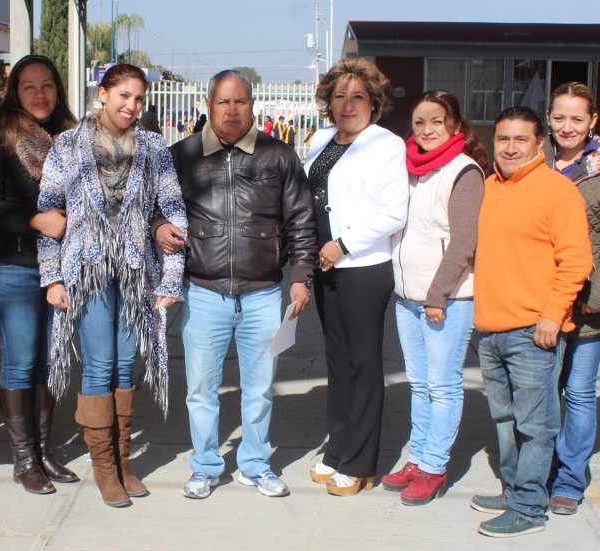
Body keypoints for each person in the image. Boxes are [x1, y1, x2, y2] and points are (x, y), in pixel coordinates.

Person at [152, 69, 317, 500]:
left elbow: (301, 218)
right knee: (201, 390)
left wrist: (300, 277)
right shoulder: (181, 155)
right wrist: (157, 227)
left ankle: (255, 465)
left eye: (240, 101)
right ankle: (205, 465)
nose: (231, 109)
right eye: (223, 102)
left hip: (263, 294)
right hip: (204, 293)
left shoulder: (278, 156)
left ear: (252, 105)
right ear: (208, 106)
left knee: (259, 388)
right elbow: (153, 204)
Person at [38, 64, 187, 508]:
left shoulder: (154, 146)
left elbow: (173, 207)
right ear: (102, 94)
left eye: (139, 98)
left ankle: (123, 462)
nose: (131, 105)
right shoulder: (67, 145)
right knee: (101, 365)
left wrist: (172, 276)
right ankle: (103, 469)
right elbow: (49, 213)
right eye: (123, 95)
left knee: (126, 367)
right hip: (86, 273)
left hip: (136, 271)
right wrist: (53, 277)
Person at [472, 106, 592, 537]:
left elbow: (577, 261)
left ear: (540, 143)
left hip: (532, 333)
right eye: (503, 138)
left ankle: (529, 508)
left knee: (536, 425)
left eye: (520, 139)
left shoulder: (558, 192)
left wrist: (552, 316)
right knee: (505, 422)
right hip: (490, 331)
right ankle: (514, 490)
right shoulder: (488, 186)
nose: (510, 147)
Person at [0, 54, 79, 495]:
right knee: (21, 360)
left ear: (58, 88)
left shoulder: (72, 136)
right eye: (29, 86)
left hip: (64, 267)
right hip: (13, 267)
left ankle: (44, 449)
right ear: (15, 91)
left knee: (51, 361)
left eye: (47, 85)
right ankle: (24, 458)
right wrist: (36, 221)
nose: (39, 94)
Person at [303, 59, 408, 496]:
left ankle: (362, 462)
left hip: (362, 267)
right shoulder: (321, 138)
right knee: (336, 361)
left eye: (358, 96)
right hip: (323, 267)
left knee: (363, 366)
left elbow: (393, 211)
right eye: (339, 96)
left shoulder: (385, 144)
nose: (348, 104)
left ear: (375, 102)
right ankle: (337, 448)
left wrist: (342, 245)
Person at [381, 90, 486, 505]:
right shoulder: (411, 169)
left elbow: (464, 242)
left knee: (443, 386)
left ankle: (434, 466)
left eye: (437, 121)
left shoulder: (464, 171)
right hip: (408, 297)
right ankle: (418, 456)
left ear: (455, 126)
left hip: (446, 299)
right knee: (419, 385)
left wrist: (438, 294)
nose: (427, 130)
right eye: (420, 122)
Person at [541, 82, 600, 516]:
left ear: (593, 121)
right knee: (540, 390)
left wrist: (598, 297)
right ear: (548, 118)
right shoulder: (534, 158)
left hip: (588, 302)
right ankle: (536, 472)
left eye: (577, 118)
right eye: (559, 117)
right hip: (539, 299)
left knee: (578, 390)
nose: (567, 126)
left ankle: (568, 481)